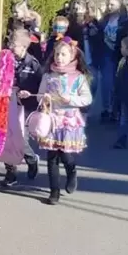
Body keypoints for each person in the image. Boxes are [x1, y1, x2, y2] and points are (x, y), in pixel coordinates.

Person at [35, 38, 92, 205]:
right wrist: (42, 98)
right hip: (52, 120)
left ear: (72, 56)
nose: (59, 57)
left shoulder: (78, 77)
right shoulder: (48, 75)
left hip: (68, 121)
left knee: (66, 155)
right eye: (57, 54)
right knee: (52, 157)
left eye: (64, 54)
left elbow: (86, 98)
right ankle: (54, 191)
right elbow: (39, 94)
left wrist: (71, 99)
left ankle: (71, 171)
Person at [9, 30, 45, 185]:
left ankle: (31, 159)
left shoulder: (33, 64)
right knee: (8, 138)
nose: (11, 47)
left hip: (27, 106)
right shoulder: (7, 60)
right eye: (10, 43)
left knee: (20, 139)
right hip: (10, 103)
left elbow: (41, 87)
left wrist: (30, 93)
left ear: (24, 46)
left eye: (14, 45)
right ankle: (11, 172)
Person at [98, 0, 128, 123]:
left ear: (119, 5)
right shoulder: (105, 20)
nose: (109, 6)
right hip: (107, 54)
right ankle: (107, 108)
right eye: (108, 4)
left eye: (112, 4)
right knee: (106, 82)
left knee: (119, 83)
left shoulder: (125, 21)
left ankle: (118, 109)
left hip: (120, 54)